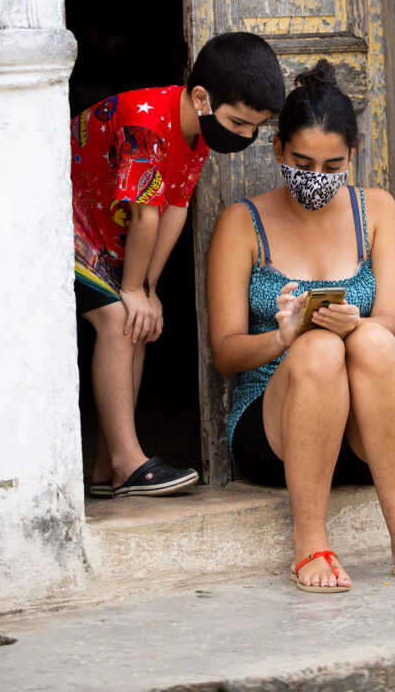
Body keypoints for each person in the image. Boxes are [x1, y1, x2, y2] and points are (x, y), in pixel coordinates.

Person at [207, 60, 395, 592]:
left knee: (371, 337)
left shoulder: (376, 209)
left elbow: (392, 321)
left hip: (370, 433)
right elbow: (225, 352)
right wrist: (283, 338)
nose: (316, 177)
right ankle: (309, 541)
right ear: (278, 149)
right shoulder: (243, 222)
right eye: (302, 161)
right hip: (275, 430)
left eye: (331, 165)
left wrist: (356, 325)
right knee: (317, 349)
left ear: (352, 157)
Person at [71, 32, 285, 499]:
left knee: (137, 325)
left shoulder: (196, 132)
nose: (245, 137)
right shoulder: (144, 120)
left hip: (109, 238)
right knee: (116, 319)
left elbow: (176, 208)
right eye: (238, 122)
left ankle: (108, 471)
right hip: (64, 223)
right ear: (202, 97)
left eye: (255, 128)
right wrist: (132, 291)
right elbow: (147, 212)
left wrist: (147, 289)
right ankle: (129, 462)